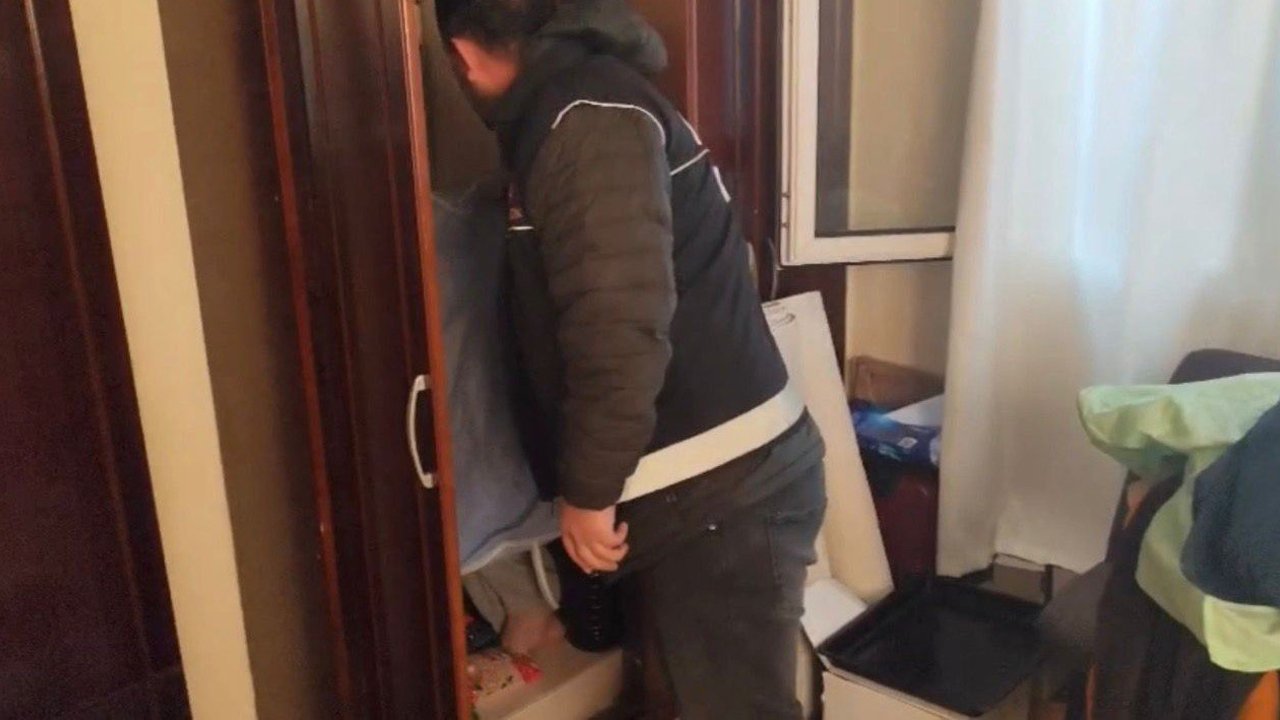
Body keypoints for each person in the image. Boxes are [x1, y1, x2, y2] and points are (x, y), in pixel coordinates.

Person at [435, 1, 827, 717]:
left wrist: (588, 493)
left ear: (463, 53)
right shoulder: (592, 101)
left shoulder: (583, 120)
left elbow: (618, 326)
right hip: (716, 484)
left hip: (723, 490)